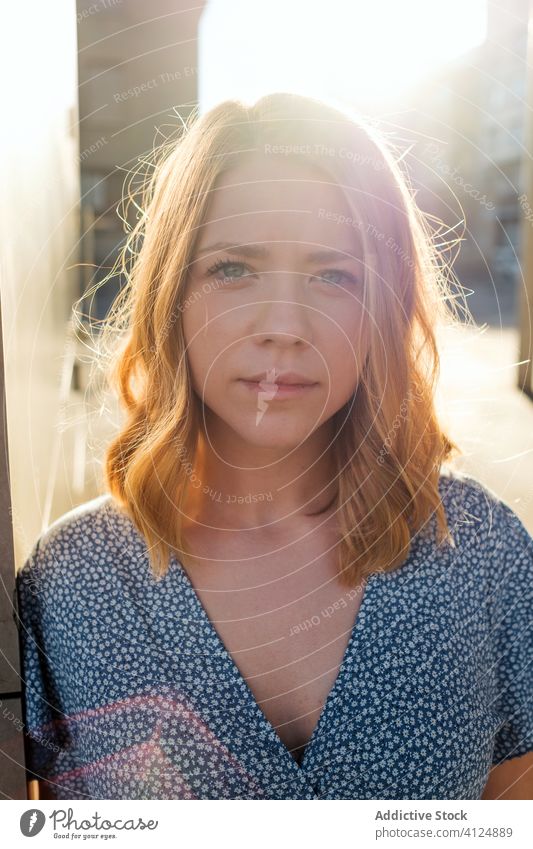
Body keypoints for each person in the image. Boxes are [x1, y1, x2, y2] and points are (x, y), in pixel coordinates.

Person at [15, 92, 533, 800]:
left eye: (333, 275)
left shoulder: (485, 554)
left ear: (382, 306)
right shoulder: (67, 582)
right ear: (173, 294)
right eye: (232, 268)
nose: (284, 324)